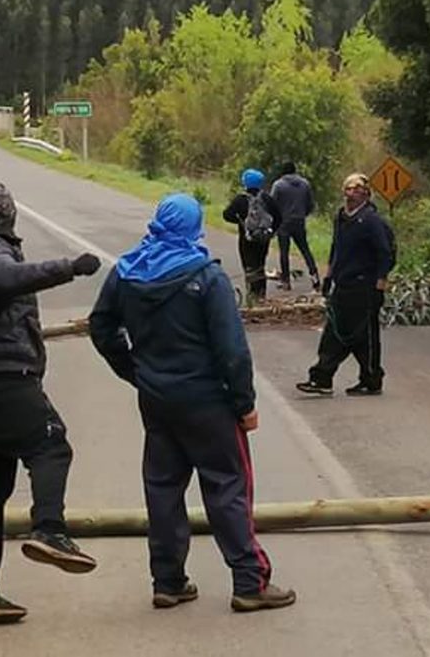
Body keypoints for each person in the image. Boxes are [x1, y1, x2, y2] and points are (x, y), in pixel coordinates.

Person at [88, 193, 296, 613]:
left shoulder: (127, 272)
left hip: (157, 400)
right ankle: (248, 582)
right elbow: (231, 350)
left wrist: (134, 370)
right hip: (207, 400)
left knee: (163, 486)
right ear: (193, 227)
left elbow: (101, 327)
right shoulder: (206, 276)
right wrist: (244, 403)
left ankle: (168, 581)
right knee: (228, 486)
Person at [0, 181, 102, 625]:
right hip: (6, 379)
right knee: (51, 444)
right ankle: (50, 530)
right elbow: (6, 278)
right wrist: (70, 267)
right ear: (3, 215)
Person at [296, 173, 394, 397]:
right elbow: (336, 248)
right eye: (347, 189)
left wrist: (380, 285)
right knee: (344, 333)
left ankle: (332, 377)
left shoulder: (371, 221)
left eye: (356, 189)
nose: (350, 194)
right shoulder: (341, 217)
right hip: (343, 283)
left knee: (356, 335)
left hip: (364, 286)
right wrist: (329, 276)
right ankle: (351, 379)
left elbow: (384, 254)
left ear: (365, 194)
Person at [223, 169, 282, 302]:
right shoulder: (266, 199)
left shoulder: (240, 199)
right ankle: (261, 295)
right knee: (260, 265)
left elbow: (226, 215)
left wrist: (241, 222)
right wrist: (271, 231)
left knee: (249, 267)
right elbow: (278, 217)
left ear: (246, 183)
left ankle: (251, 296)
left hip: (246, 239)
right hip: (263, 239)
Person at [270, 161, 320, 292]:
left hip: (284, 222)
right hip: (299, 221)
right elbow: (310, 204)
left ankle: (286, 282)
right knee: (305, 250)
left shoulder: (278, 185)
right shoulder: (305, 184)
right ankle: (315, 278)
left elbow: (272, 204)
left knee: (284, 252)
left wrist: (275, 221)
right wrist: (303, 213)